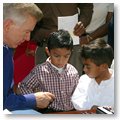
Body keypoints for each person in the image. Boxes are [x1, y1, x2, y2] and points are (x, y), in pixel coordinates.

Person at [3, 3, 55, 112]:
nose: (28, 38)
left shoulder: (7, 50)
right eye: (27, 31)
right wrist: (33, 100)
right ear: (7, 26)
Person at [17, 29, 80, 113]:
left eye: (66, 56)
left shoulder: (73, 71)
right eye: (57, 56)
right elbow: (23, 86)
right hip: (49, 112)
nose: (61, 61)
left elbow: (78, 93)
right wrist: (35, 100)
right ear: (48, 52)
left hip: (71, 111)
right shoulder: (39, 71)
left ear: (71, 53)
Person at [31, 3, 93, 76]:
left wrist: (82, 23)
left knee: (73, 83)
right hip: (44, 45)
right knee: (42, 83)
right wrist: (46, 33)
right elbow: (25, 15)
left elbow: (87, 5)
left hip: (71, 45)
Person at [71, 39, 114, 110]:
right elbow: (77, 102)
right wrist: (92, 108)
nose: (84, 69)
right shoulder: (84, 79)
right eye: (84, 66)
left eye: (88, 67)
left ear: (103, 66)